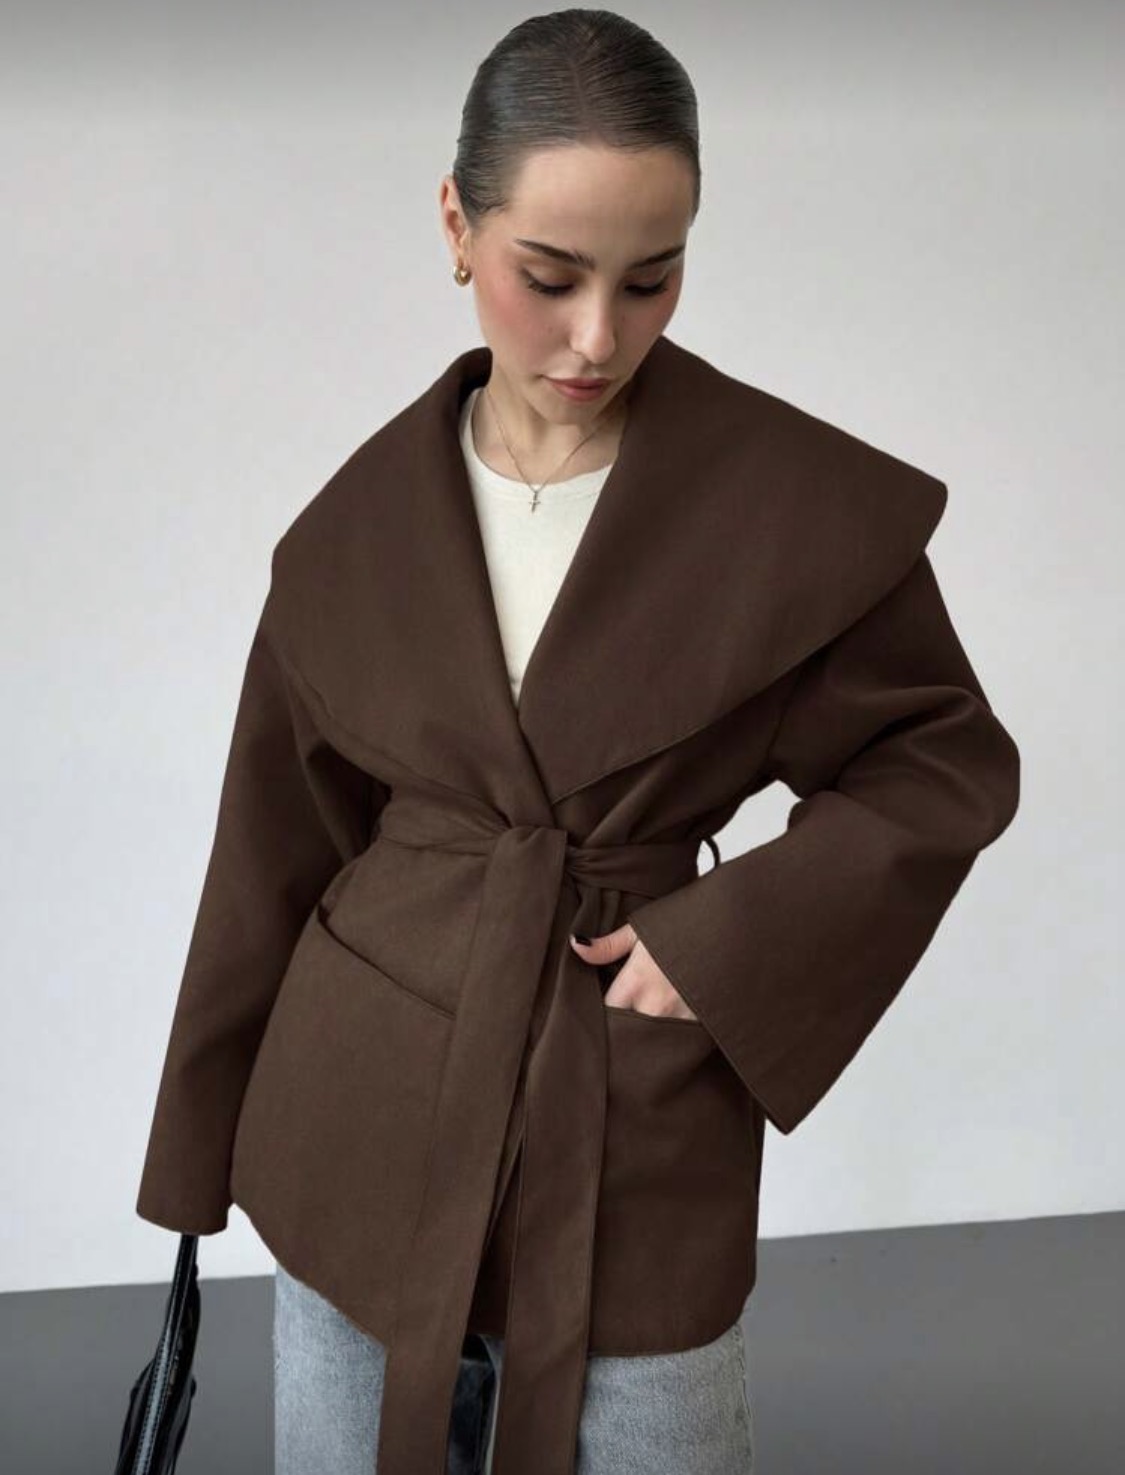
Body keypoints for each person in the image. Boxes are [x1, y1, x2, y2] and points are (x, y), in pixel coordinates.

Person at [134, 10, 1021, 1475]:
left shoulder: (790, 510)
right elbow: (271, 847)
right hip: (360, 1108)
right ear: (456, 226)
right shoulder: (354, 530)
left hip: (622, 1104)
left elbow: (940, 760)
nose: (599, 336)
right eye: (548, 277)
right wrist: (193, 1151)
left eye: (650, 276)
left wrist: (725, 942)